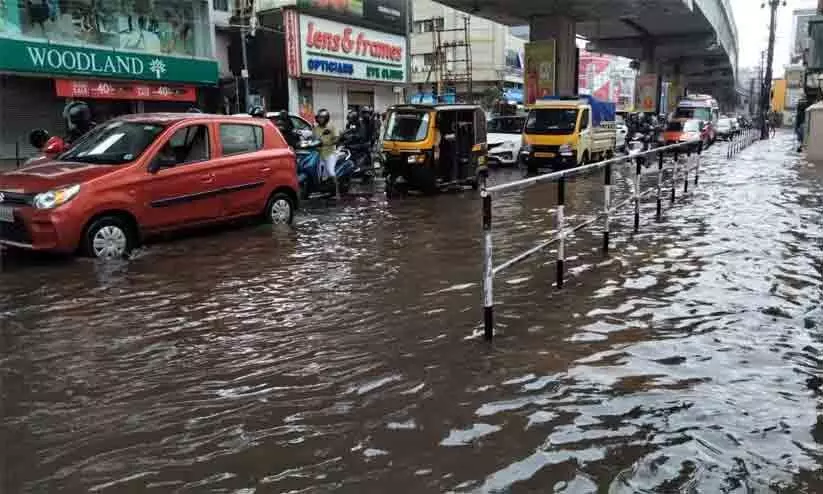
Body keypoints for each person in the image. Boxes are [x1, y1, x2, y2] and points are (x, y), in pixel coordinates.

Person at [313, 109, 339, 197]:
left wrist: (326, 143)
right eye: (319, 117)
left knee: (331, 172)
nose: (320, 119)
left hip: (329, 153)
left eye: (322, 118)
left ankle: (336, 192)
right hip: (318, 154)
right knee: (317, 173)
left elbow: (336, 139)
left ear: (326, 119)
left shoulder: (331, 127)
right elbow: (313, 139)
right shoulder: (315, 128)